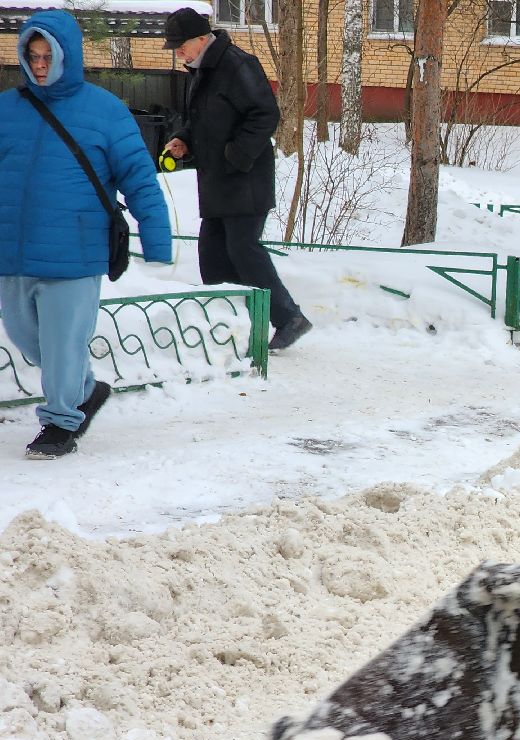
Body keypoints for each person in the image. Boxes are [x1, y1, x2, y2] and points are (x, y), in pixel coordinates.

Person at [0, 10, 173, 460]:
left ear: (68, 56)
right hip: (13, 252)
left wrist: (157, 240)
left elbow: (140, 180)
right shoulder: (7, 109)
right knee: (25, 336)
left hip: (74, 252)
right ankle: (87, 390)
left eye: (48, 57)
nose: (40, 66)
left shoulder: (105, 111)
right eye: (33, 57)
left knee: (62, 345)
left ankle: (60, 422)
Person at [161, 7, 312, 353]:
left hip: (245, 179)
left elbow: (265, 114)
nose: (178, 53)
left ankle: (289, 317)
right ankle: (228, 323)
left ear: (202, 39)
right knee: (212, 252)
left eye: (181, 46)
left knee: (243, 248)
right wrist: (184, 139)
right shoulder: (201, 70)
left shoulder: (237, 64)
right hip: (218, 181)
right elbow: (205, 120)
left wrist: (236, 155)